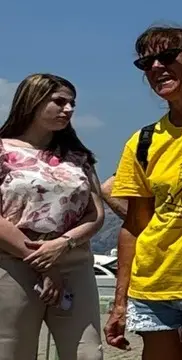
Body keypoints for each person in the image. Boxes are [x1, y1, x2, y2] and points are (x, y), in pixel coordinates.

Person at [106, 26, 182, 360]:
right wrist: (120, 302)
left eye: (166, 56)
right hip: (155, 285)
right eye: (146, 63)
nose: (156, 67)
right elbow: (135, 226)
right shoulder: (143, 141)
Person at [0, 74, 106, 360]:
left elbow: (95, 213)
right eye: (59, 102)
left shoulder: (78, 156)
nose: (68, 109)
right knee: (11, 351)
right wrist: (44, 263)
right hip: (12, 263)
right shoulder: (2, 149)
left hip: (73, 262)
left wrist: (63, 245)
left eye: (72, 103)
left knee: (88, 353)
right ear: (32, 101)